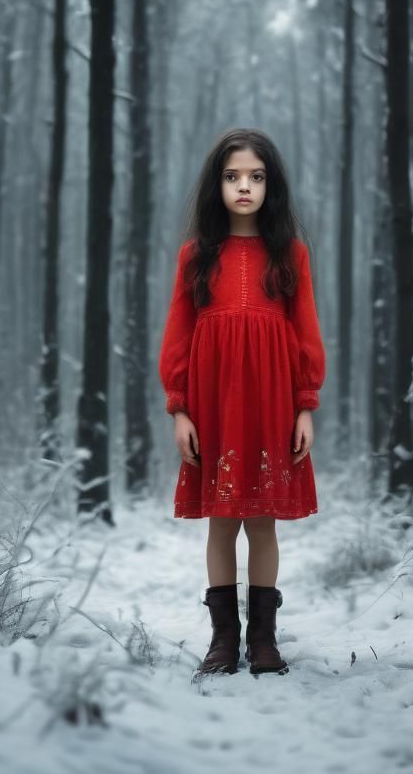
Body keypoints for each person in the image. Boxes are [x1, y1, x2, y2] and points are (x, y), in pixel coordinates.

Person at [158, 127, 326, 679]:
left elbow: (305, 331)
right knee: (223, 519)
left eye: (256, 177)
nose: (244, 187)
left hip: (272, 401)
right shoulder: (195, 257)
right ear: (217, 186)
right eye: (233, 177)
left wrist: (305, 404)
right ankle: (223, 641)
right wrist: (180, 406)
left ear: (270, 186)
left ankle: (264, 640)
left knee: (262, 519)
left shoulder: (290, 255)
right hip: (213, 402)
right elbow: (178, 334)